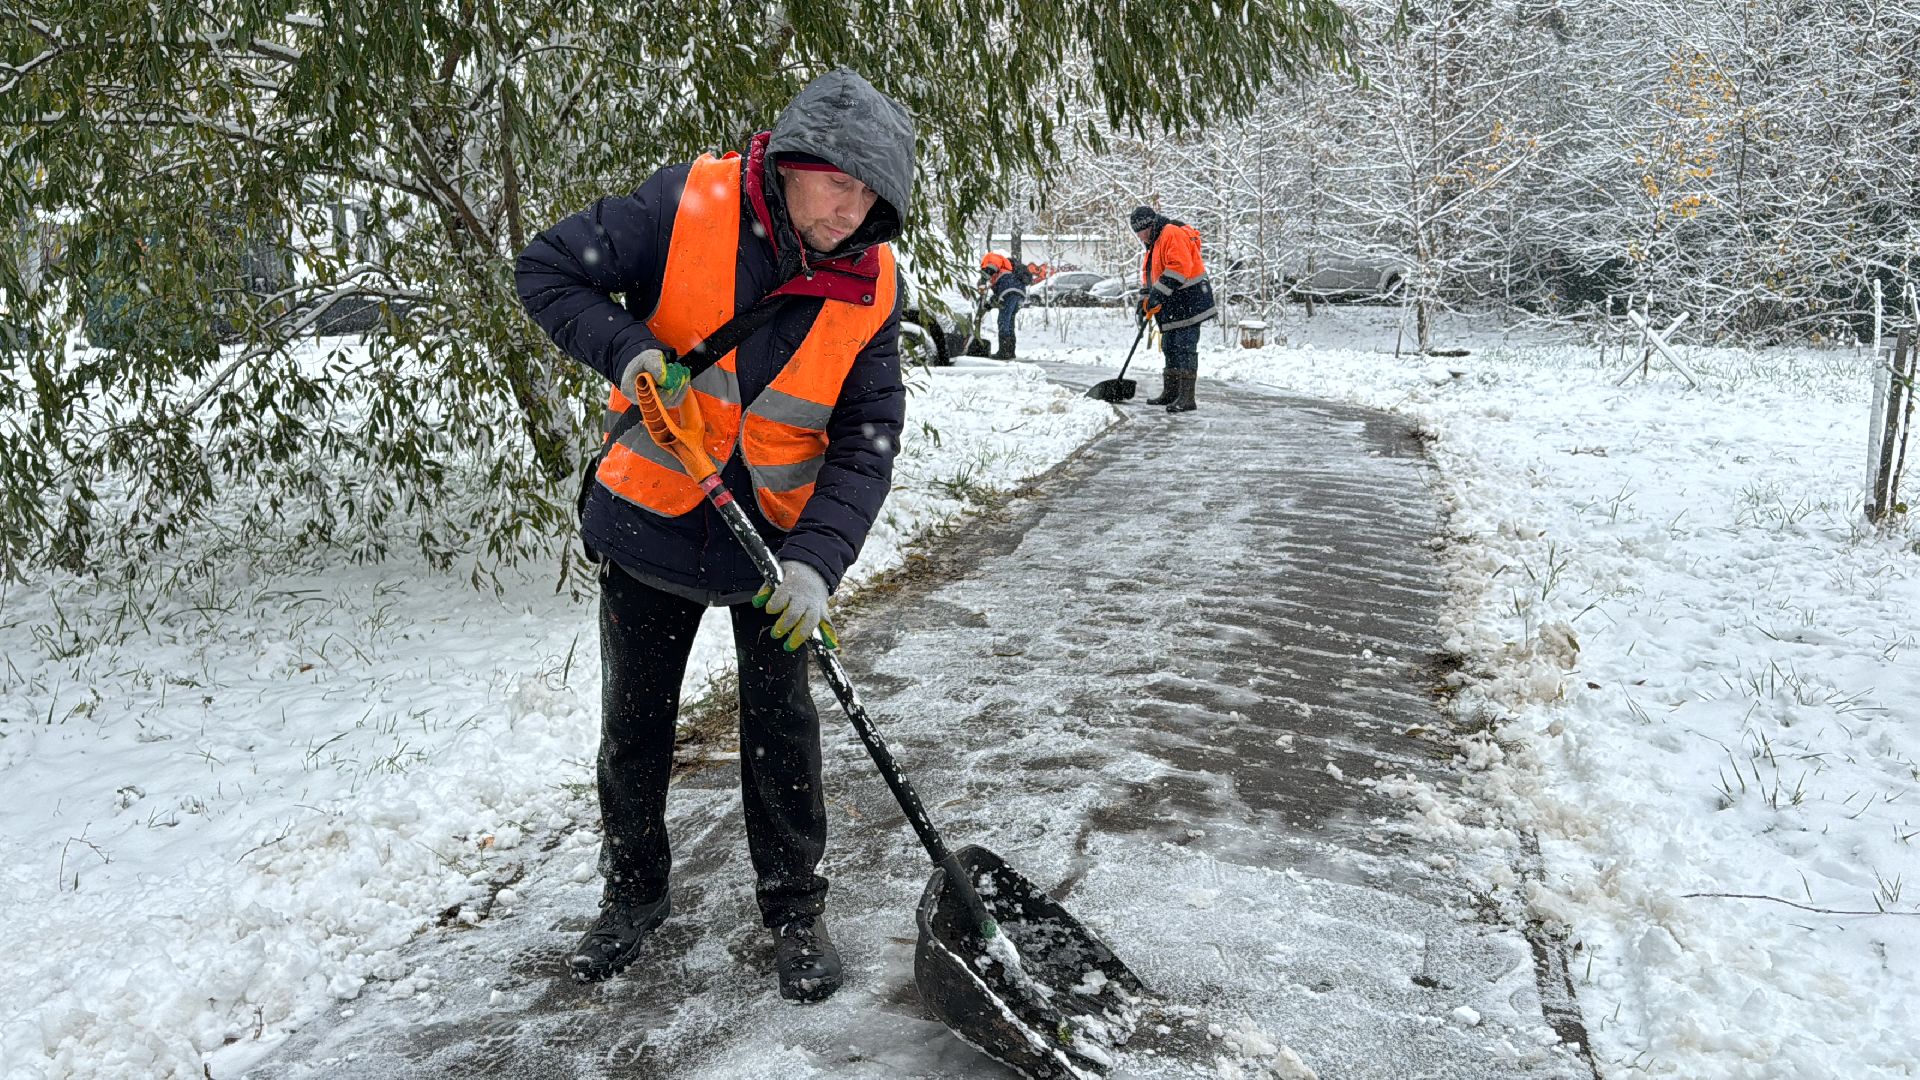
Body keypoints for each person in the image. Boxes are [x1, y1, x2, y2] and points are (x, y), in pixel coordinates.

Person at [514, 68, 915, 1004]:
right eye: (837, 184)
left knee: (781, 731)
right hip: (649, 521)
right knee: (635, 729)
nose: (850, 212)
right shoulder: (682, 205)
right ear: (787, 163)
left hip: (770, 546)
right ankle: (633, 894)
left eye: (870, 195)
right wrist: (626, 348)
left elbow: (865, 438)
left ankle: (793, 911)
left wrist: (818, 564)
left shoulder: (873, 286)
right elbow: (545, 270)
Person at [1129, 205, 1217, 412]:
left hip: (1189, 301)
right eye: (1137, 233)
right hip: (1173, 304)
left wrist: (1157, 295)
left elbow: (1179, 267)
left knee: (1184, 347)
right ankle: (1171, 392)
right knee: (1170, 345)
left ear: (1149, 225)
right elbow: (1150, 274)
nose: (1140, 236)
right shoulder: (1154, 242)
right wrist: (1145, 299)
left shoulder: (1171, 233)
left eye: (1141, 231)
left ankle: (1187, 398)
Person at [977, 250, 1026, 359]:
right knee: (1009, 322)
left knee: (1003, 321)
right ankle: (1010, 351)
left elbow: (991, 269)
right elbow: (997, 295)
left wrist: (983, 280)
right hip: (1019, 292)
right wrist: (988, 305)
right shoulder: (1005, 273)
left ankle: (1004, 352)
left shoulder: (992, 258)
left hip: (1009, 291)